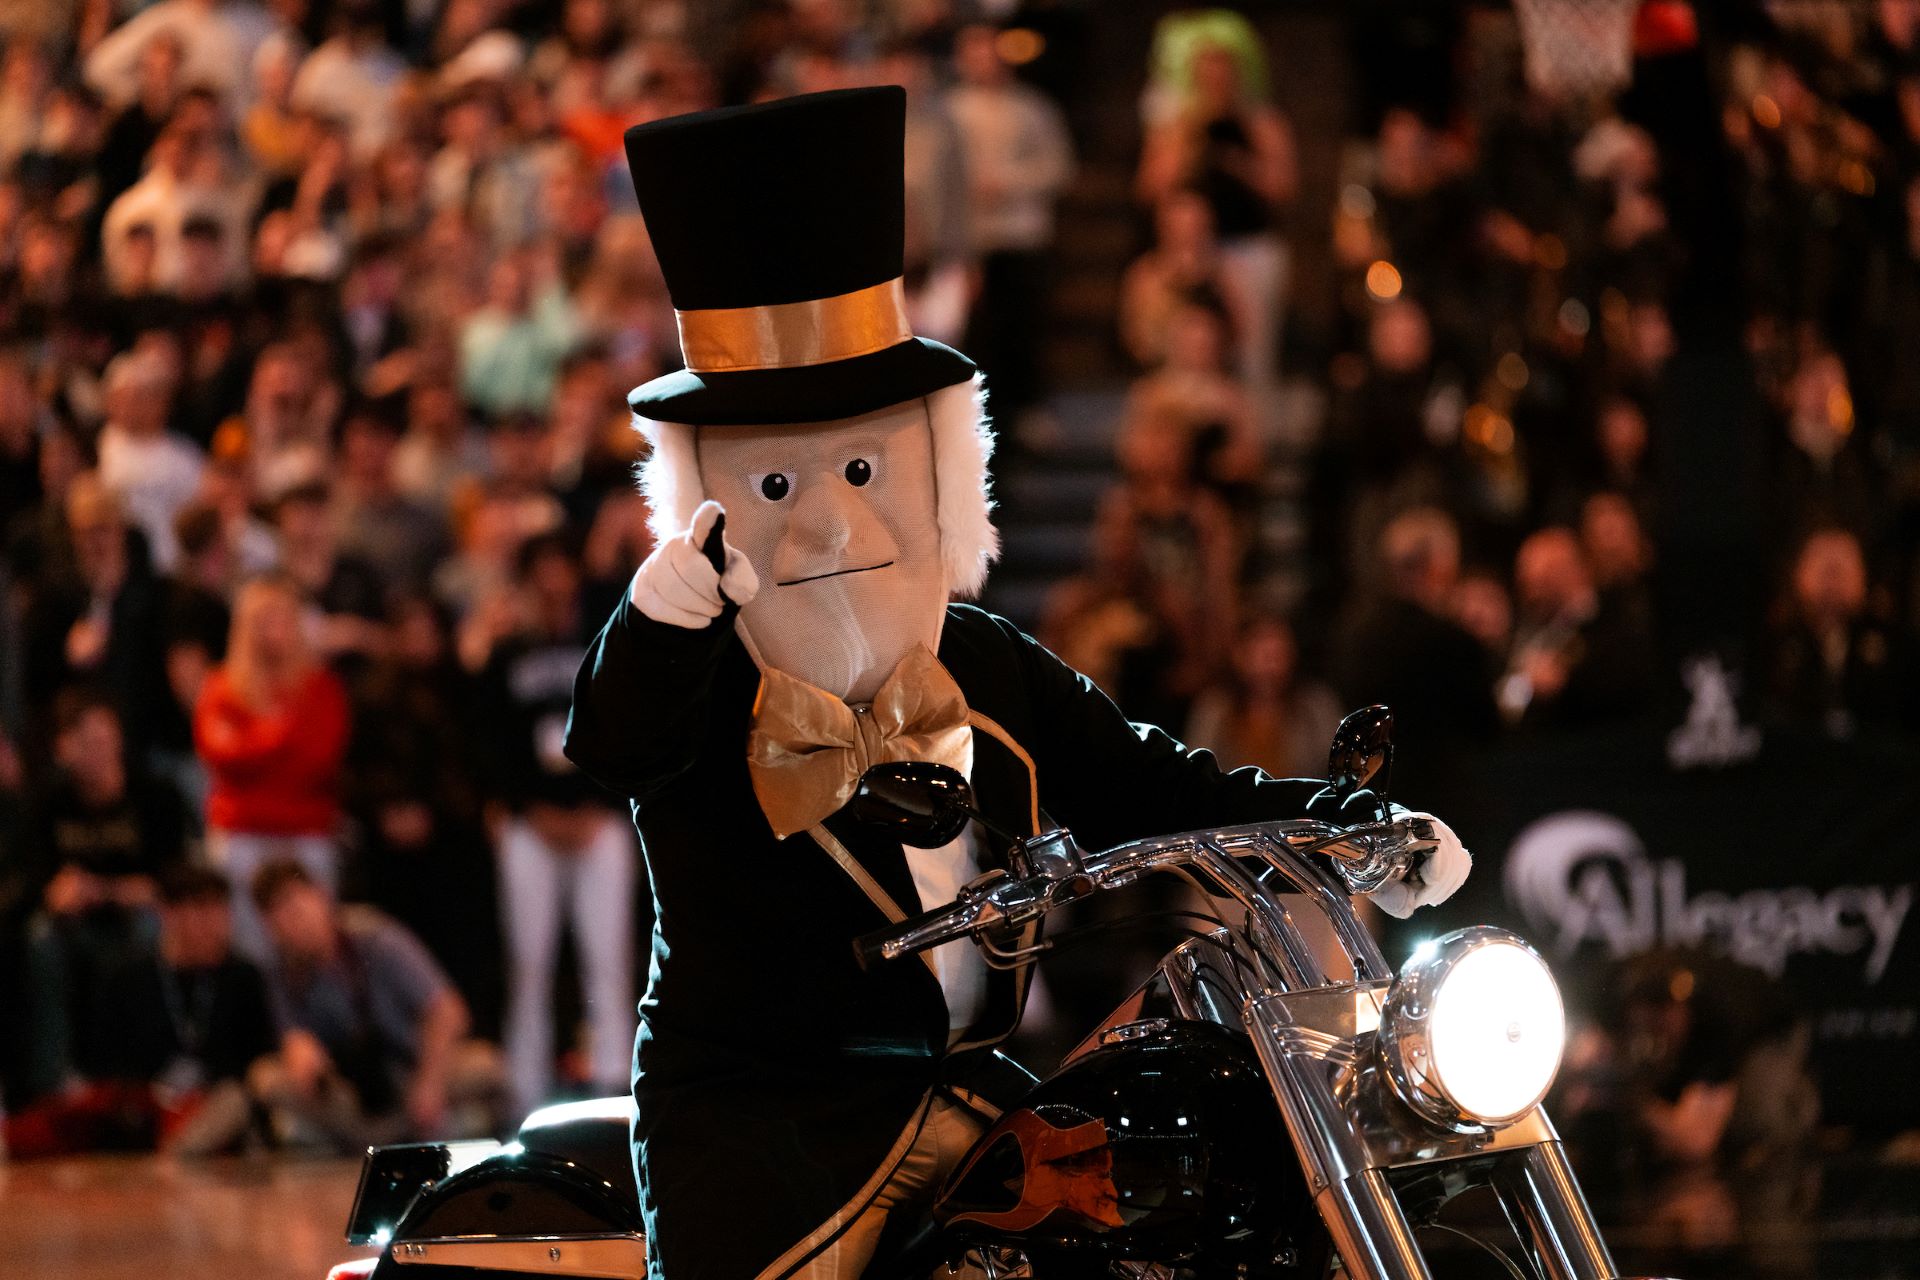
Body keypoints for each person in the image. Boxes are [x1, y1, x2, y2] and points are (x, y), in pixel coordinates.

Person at [565, 89, 1471, 1280]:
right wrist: (666, 606)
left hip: (957, 1098)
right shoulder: (695, 674)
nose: (834, 515)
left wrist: (1347, 824)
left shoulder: (981, 660)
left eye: (859, 465)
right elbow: (613, 743)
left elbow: (1149, 778)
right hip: (766, 1122)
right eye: (778, 481)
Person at [478, 533, 635, 1118]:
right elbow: (492, 745)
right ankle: (524, 1095)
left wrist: (600, 804)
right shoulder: (504, 653)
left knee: (608, 958)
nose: (551, 584)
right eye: (539, 572)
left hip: (600, 820)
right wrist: (527, 807)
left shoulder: (607, 645)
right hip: (530, 823)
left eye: (559, 570)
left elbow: (625, 729)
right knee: (529, 962)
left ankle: (616, 1088)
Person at [247, 859, 501, 1149]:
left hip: (411, 1070)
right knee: (266, 1078)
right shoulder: (281, 970)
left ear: (321, 896)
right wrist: (302, 1058)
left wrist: (430, 1082)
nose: (292, 924)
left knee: (485, 1065)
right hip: (351, 1089)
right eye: (277, 916)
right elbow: (293, 1037)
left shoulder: (377, 938)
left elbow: (449, 1010)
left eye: (295, 908)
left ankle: (370, 1138)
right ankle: (402, 1136)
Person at [20, 689, 188, 1099]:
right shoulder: (48, 801)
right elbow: (34, 879)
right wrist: (56, 893)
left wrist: (105, 890)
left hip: (139, 918)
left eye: (104, 739)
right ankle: (54, 1078)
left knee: (152, 936)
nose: (97, 752)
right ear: (64, 748)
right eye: (85, 742)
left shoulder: (156, 795)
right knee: (39, 942)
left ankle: (142, 1077)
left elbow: (172, 882)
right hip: (75, 923)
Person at [192, 574, 351, 958]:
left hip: (306, 832)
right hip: (242, 833)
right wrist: (280, 734)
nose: (271, 630)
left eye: (280, 617)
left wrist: (258, 739)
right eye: (261, 619)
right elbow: (222, 756)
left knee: (313, 947)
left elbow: (320, 759)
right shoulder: (221, 687)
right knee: (249, 951)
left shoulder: (321, 687)